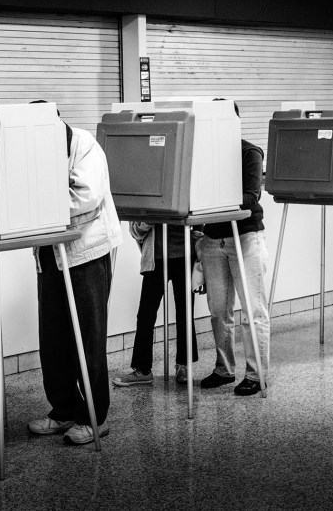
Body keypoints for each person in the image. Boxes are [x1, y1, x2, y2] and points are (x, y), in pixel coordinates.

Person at [27, 103, 123, 445]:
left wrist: (33, 206)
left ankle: (94, 418)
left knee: (88, 338)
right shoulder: (28, 149)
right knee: (52, 339)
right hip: (49, 253)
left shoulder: (83, 145)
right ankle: (64, 410)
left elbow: (86, 195)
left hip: (87, 253)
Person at [197, 102, 269, 396]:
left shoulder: (249, 152)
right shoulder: (202, 153)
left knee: (253, 310)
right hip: (213, 239)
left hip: (246, 237)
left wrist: (211, 200)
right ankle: (224, 369)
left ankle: (256, 374)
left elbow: (251, 196)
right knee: (218, 311)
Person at [112, 222, 199, 387]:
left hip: (185, 255)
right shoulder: (145, 198)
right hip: (155, 259)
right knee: (146, 314)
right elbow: (136, 232)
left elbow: (198, 220)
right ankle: (143, 370)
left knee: (185, 313)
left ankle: (184, 365)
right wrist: (148, 220)